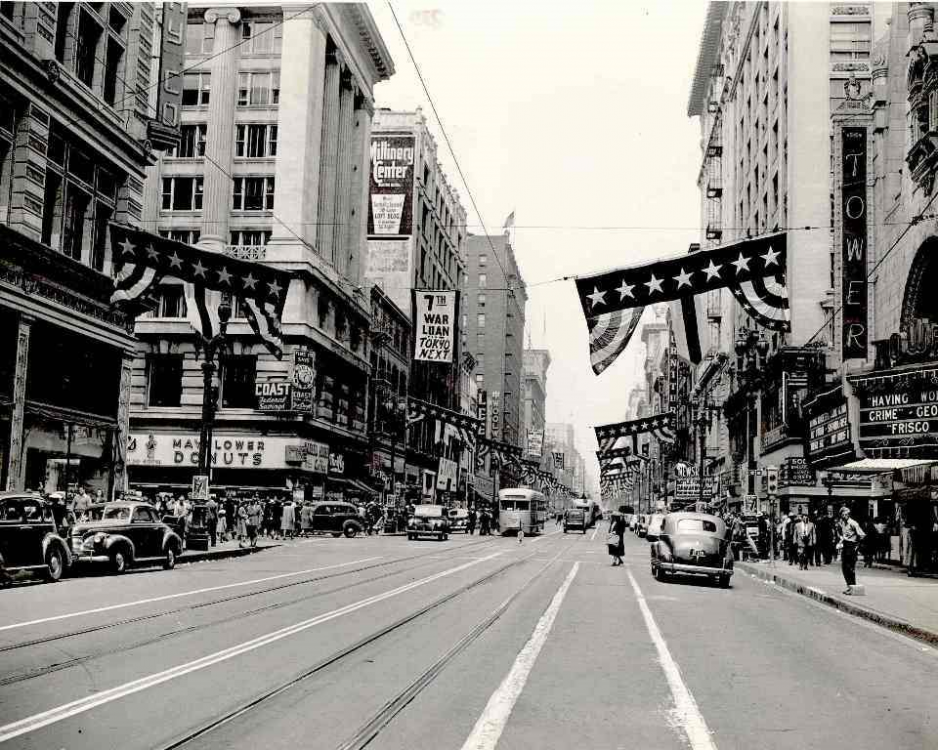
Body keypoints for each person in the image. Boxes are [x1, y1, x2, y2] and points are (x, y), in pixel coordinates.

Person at [836, 505, 866, 595]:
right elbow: (842, 533)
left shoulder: (853, 523)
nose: (844, 516)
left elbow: (862, 535)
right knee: (844, 567)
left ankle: (853, 586)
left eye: (846, 514)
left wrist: (857, 545)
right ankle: (849, 586)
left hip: (852, 546)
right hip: (845, 546)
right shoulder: (843, 523)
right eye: (843, 514)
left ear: (848, 514)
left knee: (850, 568)